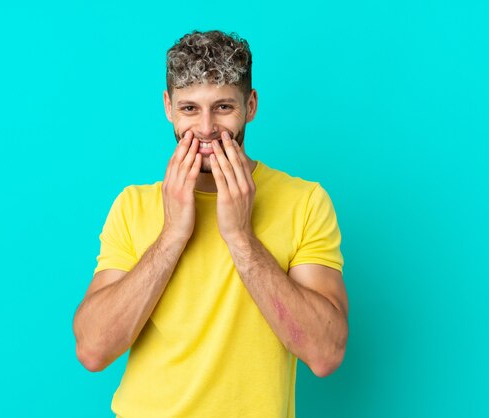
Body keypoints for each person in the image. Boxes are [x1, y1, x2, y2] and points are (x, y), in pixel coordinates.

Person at [73, 30, 349, 418]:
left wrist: (241, 238)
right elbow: (93, 349)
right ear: (168, 107)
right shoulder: (133, 205)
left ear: (250, 105)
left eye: (222, 107)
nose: (205, 129)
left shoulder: (304, 202)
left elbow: (325, 353)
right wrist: (171, 236)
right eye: (189, 109)